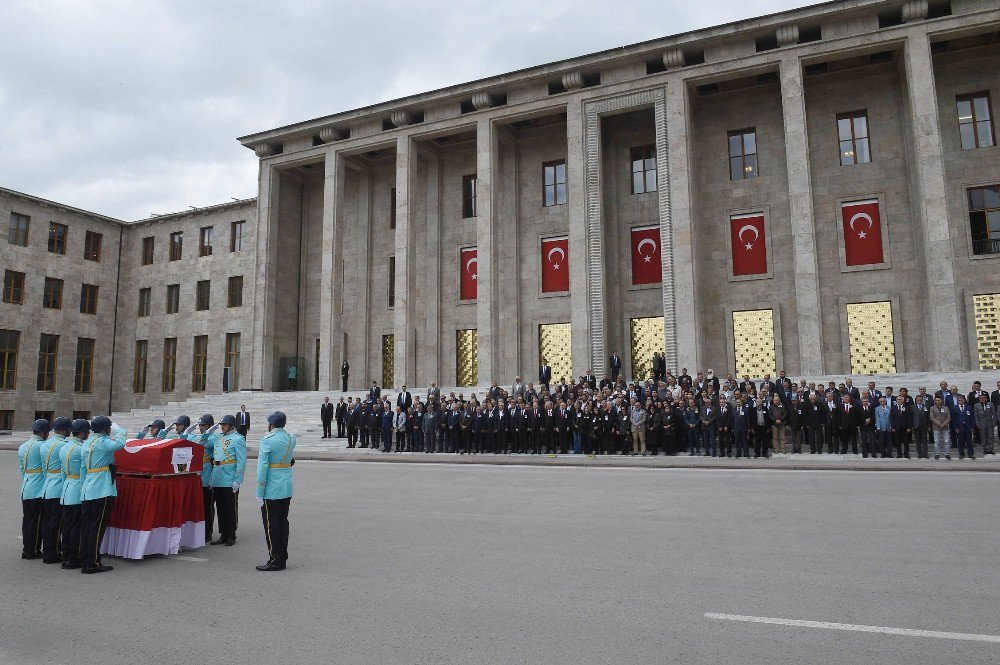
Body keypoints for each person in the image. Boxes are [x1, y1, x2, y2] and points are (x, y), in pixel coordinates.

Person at [78, 416, 127, 574]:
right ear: (106, 429)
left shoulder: (86, 443)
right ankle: (92, 562)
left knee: (87, 527)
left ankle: (86, 559)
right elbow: (120, 443)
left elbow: (82, 470)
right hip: (101, 489)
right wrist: (119, 430)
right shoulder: (103, 442)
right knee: (97, 527)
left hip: (88, 488)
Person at [256, 411, 295, 572]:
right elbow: (290, 460)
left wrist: (259, 490)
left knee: (271, 525)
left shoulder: (267, 441)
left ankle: (275, 559)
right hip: (286, 486)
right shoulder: (291, 438)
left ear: (271, 424)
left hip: (271, 488)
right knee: (282, 522)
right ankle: (282, 556)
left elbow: (262, 468)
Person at [39, 417, 71, 564]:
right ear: (65, 430)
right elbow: (66, 469)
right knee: (57, 523)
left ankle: (48, 550)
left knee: (48, 521)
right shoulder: (64, 444)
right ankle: (53, 553)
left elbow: (44, 468)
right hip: (58, 486)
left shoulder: (45, 444)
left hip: (47, 485)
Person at [211, 415, 247, 546]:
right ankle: (223, 533)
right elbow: (204, 443)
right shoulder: (218, 438)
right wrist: (209, 430)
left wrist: (238, 480)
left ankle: (231, 534)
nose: (222, 426)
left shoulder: (238, 439)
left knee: (230, 508)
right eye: (222, 424)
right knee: (220, 507)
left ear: (231, 425)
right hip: (218, 477)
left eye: (225, 424)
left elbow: (241, 461)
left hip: (230, 478)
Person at [60, 419, 90, 570]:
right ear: (82, 433)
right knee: (76, 527)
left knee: (67, 526)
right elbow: (84, 472)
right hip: (77, 489)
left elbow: (62, 473)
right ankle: (73, 558)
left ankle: (66, 557)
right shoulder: (81, 448)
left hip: (66, 488)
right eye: (87, 432)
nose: (88, 434)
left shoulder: (65, 447)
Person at [19, 419, 50, 560]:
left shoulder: (23, 446)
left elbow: (22, 469)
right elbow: (45, 468)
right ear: (43, 433)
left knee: (28, 520)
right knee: (37, 521)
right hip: (38, 487)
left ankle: (27, 548)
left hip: (26, 485)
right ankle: (34, 550)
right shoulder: (42, 446)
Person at [188, 414, 219, 542]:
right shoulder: (199, 437)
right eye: (200, 425)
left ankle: (207, 532)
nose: (201, 428)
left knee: (207, 507)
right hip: (197, 475)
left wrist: (206, 434)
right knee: (197, 506)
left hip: (207, 475)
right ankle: (198, 531)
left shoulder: (214, 438)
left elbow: (203, 444)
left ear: (210, 426)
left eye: (203, 425)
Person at [929, 396, 951, 460]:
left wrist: (944, 424)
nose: (937, 401)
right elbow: (932, 417)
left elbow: (948, 418)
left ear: (941, 401)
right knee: (937, 441)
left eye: (939, 400)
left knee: (946, 441)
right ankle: (937, 454)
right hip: (936, 427)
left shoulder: (946, 408)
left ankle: (947, 454)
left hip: (945, 427)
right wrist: (939, 423)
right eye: (936, 400)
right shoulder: (932, 408)